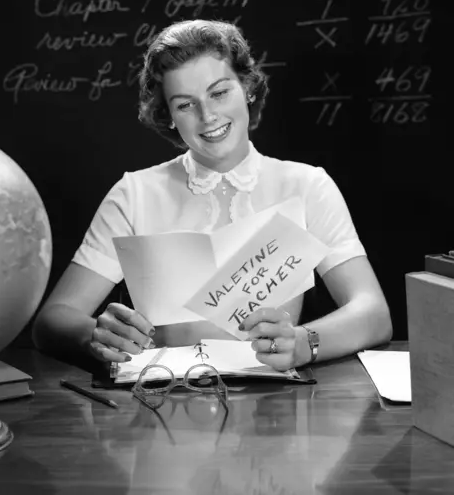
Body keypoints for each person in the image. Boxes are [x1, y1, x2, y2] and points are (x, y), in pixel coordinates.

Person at [32, 19, 392, 372]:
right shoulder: (134, 194)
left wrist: (305, 342)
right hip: (162, 403)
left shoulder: (307, 186)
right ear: (168, 114)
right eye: (185, 104)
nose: (208, 116)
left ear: (248, 87)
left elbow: (373, 313)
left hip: (277, 411)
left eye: (220, 92)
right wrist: (95, 336)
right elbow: (52, 322)